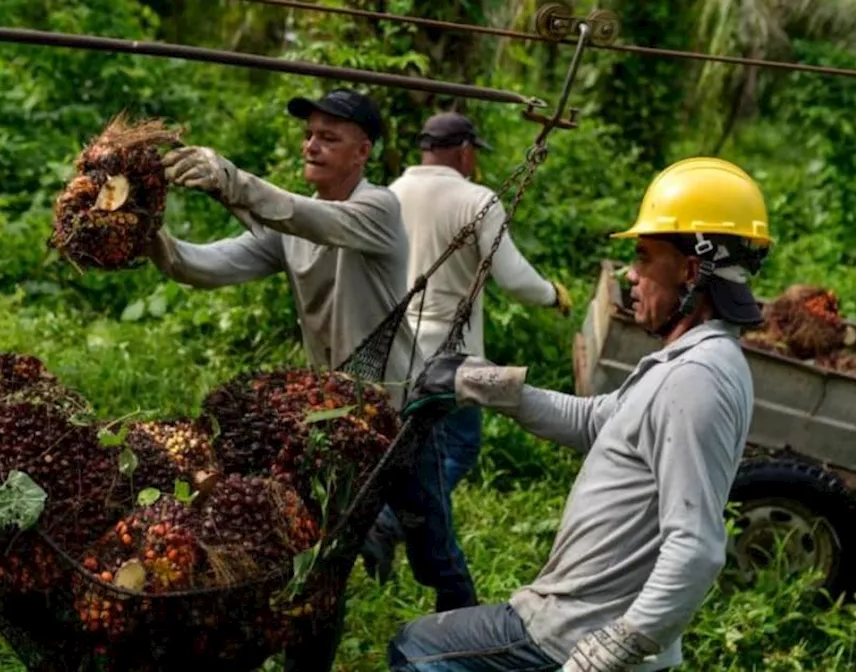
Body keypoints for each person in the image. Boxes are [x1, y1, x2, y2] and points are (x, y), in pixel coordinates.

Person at [386, 156, 775, 672]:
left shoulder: (694, 380)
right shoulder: (692, 361)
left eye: (642, 258)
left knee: (415, 648)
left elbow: (698, 547)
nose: (630, 276)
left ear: (690, 270)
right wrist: (480, 382)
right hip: (576, 619)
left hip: (574, 632)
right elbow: (596, 421)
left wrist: (620, 644)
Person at [148, 87, 452, 671]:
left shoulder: (378, 209)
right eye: (309, 134)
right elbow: (206, 266)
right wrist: (151, 237)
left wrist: (232, 181)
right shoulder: (288, 224)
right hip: (335, 421)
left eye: (329, 137)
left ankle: (462, 627)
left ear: (362, 152)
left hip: (399, 413)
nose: (312, 145)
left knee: (435, 551)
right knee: (322, 553)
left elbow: (309, 217)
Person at [360, 111, 572, 606]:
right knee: (458, 447)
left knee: (409, 450)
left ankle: (384, 527)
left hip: (394, 352)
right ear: (465, 151)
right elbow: (515, 278)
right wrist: (552, 294)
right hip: (452, 358)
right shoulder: (477, 200)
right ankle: (391, 529)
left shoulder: (389, 192)